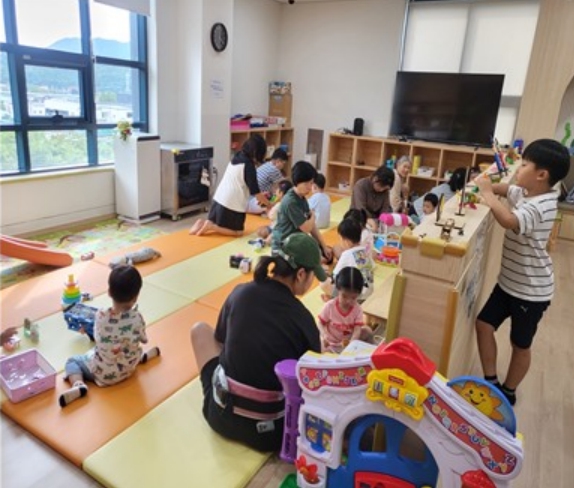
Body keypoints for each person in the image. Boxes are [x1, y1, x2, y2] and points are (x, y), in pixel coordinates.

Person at [190, 233, 325, 452]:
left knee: (199, 331)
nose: (312, 283)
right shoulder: (303, 319)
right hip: (272, 434)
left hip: (221, 418)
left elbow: (221, 340)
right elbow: (311, 379)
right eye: (312, 277)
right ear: (301, 274)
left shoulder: (241, 292)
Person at [475, 139, 570, 406]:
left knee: (520, 344)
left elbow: (509, 221)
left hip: (530, 291)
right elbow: (508, 189)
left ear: (542, 175)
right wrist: (485, 185)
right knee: (483, 325)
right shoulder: (528, 193)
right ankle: (491, 382)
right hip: (508, 283)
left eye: (524, 165)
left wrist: (487, 195)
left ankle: (509, 391)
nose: (518, 169)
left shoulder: (542, 205)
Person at [58, 265, 160, 407]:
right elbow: (144, 339)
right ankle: (141, 357)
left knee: (72, 361)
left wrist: (85, 330)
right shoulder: (138, 317)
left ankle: (78, 385)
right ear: (136, 296)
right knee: (129, 345)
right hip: (129, 368)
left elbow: (98, 339)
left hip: (103, 374)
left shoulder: (101, 315)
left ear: (109, 292)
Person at [189, 134, 271, 236]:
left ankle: (202, 224)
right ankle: (211, 226)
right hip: (231, 205)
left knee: (218, 222)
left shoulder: (237, 156)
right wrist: (269, 205)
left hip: (218, 200)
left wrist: (262, 199)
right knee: (238, 232)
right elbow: (256, 194)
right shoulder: (249, 166)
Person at [271, 161, 333, 262]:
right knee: (317, 260)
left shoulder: (302, 197)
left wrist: (324, 246)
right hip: (283, 246)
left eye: (311, 183)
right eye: (306, 184)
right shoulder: (291, 201)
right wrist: (313, 216)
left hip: (296, 241)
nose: (309, 187)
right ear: (296, 182)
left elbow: (312, 227)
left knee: (327, 253)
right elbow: (306, 228)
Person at [318, 266, 373, 353]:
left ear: (358, 295)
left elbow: (357, 329)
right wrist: (323, 335)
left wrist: (352, 343)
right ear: (338, 290)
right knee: (319, 346)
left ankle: (370, 353)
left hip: (349, 342)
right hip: (331, 343)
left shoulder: (357, 309)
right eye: (344, 296)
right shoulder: (329, 306)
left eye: (353, 298)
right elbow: (320, 323)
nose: (348, 301)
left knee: (367, 331)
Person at [322, 217, 375, 302]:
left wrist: (326, 274)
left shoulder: (347, 254)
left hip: (355, 296)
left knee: (324, 283)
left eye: (340, 239)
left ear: (346, 241)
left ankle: (335, 300)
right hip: (367, 293)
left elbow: (335, 277)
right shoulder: (365, 251)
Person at [350, 166, 395, 231]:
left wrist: (383, 220)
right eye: (381, 186)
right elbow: (360, 208)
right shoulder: (361, 185)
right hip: (359, 218)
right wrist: (369, 220)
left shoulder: (385, 191)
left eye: (385, 188)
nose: (382, 190)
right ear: (375, 178)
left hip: (376, 220)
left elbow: (385, 208)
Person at [246, 148, 288, 215]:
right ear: (278, 161)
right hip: (252, 201)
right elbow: (285, 184)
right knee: (278, 197)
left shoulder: (266, 164)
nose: (283, 166)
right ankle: (269, 212)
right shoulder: (274, 169)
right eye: (283, 163)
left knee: (272, 194)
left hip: (247, 199)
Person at [256, 179, 293, 244]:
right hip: (289, 230)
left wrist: (267, 210)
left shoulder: (279, 205)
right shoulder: (291, 203)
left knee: (260, 230)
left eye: (277, 190)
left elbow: (271, 216)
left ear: (281, 193)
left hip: (276, 228)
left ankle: (269, 240)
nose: (275, 192)